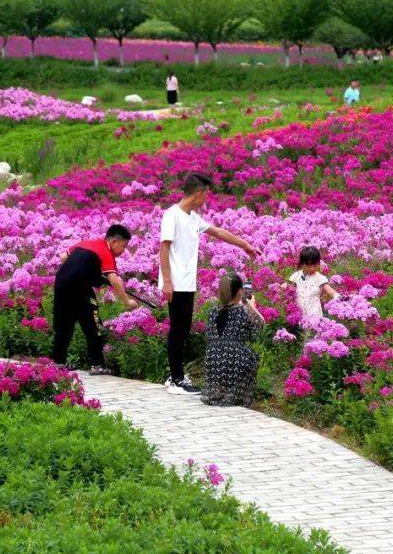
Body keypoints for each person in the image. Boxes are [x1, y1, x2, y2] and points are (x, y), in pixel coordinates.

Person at [160, 173, 259, 394]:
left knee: (182, 328)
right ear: (198, 193)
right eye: (206, 194)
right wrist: (167, 281)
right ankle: (176, 380)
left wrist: (245, 245)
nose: (206, 198)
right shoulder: (172, 215)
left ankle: (175, 376)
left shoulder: (192, 217)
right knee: (178, 329)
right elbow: (163, 248)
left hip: (186, 282)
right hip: (176, 282)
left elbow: (217, 232)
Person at [52, 225, 138, 374]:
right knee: (93, 325)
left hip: (61, 284)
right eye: (124, 246)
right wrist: (127, 302)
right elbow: (115, 281)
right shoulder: (106, 252)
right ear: (115, 242)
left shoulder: (85, 243)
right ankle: (97, 365)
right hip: (79, 288)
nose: (124, 250)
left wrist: (87, 270)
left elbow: (63, 257)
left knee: (63, 325)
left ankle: (59, 363)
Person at [201, 272, 264, 407]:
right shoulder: (244, 311)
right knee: (250, 355)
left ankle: (220, 390)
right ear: (240, 291)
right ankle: (235, 393)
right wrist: (251, 306)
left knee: (225, 355)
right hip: (235, 358)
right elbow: (259, 327)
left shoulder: (213, 311)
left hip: (213, 357)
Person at [288, 246, 339, 321]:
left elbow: (328, 290)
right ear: (302, 264)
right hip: (299, 314)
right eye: (308, 266)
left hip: (315, 315)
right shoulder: (296, 276)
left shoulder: (319, 278)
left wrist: (338, 297)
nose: (312, 268)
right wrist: (284, 286)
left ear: (319, 263)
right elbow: (289, 288)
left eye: (315, 265)